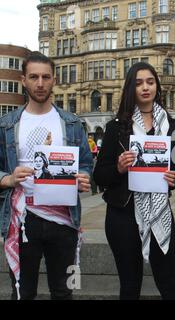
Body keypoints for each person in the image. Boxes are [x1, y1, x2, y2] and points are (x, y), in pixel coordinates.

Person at [0, 52, 92, 300]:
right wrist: (7, 179)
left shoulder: (72, 123)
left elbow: (85, 163)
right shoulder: (6, 124)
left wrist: (83, 177)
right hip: (22, 220)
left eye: (45, 77)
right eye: (33, 77)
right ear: (23, 80)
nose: (40, 83)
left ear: (54, 80)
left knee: (63, 291)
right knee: (22, 291)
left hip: (63, 219)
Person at [93, 62, 175, 300]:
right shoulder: (115, 128)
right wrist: (119, 168)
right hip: (122, 215)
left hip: (160, 212)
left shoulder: (171, 126)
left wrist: (174, 178)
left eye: (150, 82)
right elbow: (99, 175)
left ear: (157, 87)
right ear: (130, 88)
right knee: (130, 286)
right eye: (139, 82)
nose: (145, 87)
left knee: (169, 284)